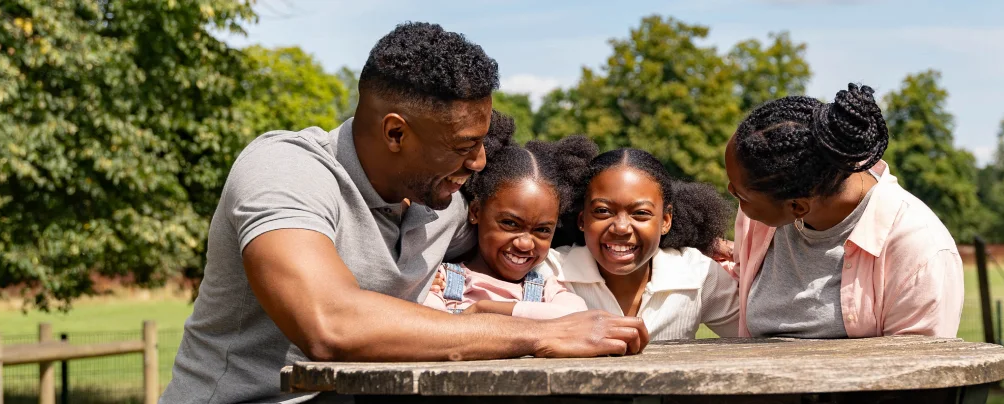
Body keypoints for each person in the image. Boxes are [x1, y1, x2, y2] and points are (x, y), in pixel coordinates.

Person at [162, 23, 647, 404]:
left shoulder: (447, 204)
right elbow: (331, 325)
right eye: (465, 145)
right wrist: (539, 334)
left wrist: (706, 244)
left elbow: (545, 224)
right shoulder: (286, 170)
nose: (479, 161)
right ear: (396, 134)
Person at [724, 83, 964, 339]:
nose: (729, 191)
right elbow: (743, 288)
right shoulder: (761, 219)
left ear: (798, 207)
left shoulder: (920, 253)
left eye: (741, 193)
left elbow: (919, 369)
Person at [538, 148, 740, 341]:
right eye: (603, 211)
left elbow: (759, 330)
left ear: (666, 221)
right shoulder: (549, 272)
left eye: (640, 213)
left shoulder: (697, 274)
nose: (621, 228)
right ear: (582, 219)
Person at [422, 115, 595, 319]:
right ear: (476, 212)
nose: (524, 243)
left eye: (542, 230)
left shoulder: (547, 289)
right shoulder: (440, 280)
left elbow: (576, 316)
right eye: (510, 224)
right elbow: (428, 321)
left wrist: (486, 310)